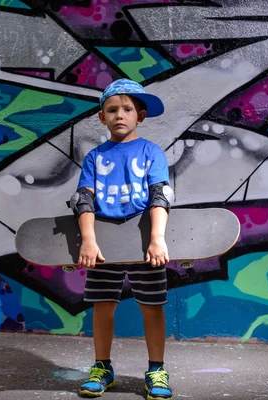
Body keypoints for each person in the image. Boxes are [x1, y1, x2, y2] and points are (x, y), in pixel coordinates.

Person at [69, 79, 175, 399]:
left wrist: (157, 239)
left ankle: (156, 370)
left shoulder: (150, 152)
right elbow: (83, 200)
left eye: (127, 109)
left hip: (143, 242)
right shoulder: (95, 158)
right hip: (105, 243)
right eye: (112, 110)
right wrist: (88, 240)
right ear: (102, 117)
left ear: (140, 115)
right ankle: (102, 368)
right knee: (103, 306)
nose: (120, 115)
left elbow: (160, 197)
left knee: (152, 307)